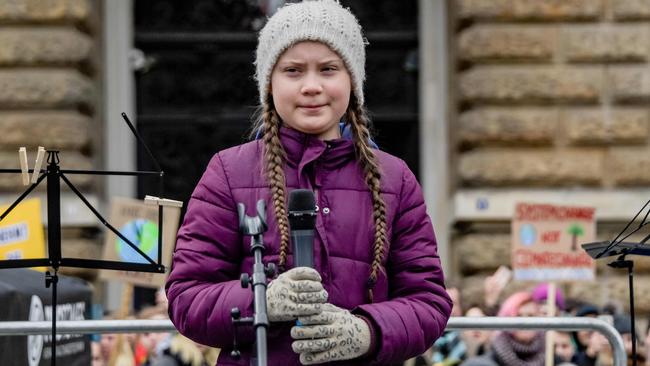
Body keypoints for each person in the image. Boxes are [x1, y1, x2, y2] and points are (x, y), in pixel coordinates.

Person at [165, 1, 452, 365]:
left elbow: (428, 302)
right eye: (293, 71)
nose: (312, 86)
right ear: (270, 83)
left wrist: (367, 332)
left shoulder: (395, 178)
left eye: (329, 69)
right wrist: (261, 301)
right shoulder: (228, 172)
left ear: (352, 80)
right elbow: (186, 298)